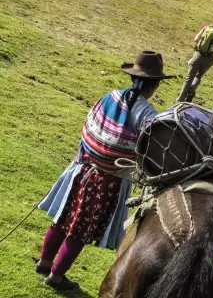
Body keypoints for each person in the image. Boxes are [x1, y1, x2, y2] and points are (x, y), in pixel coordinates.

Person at [35, 51, 175, 290]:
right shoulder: (147, 113)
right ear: (155, 85)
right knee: (79, 230)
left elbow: (90, 123)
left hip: (81, 169)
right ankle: (56, 277)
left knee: (63, 219)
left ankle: (45, 262)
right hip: (106, 181)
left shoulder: (110, 96)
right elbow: (154, 147)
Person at [176, 17, 213, 102]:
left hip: (198, 55)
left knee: (189, 78)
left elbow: (196, 39)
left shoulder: (206, 28)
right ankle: (190, 95)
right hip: (209, 59)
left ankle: (180, 99)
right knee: (198, 76)